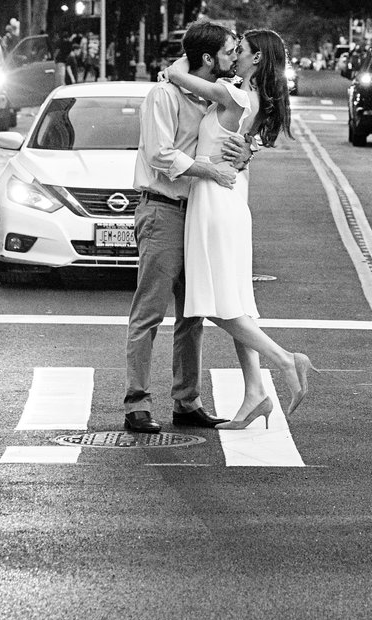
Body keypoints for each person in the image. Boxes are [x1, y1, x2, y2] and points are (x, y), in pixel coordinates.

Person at [166, 28, 310, 426]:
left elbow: (178, 74)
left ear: (257, 58)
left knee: (213, 301)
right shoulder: (248, 95)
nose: (234, 56)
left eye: (239, 50)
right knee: (236, 300)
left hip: (215, 199)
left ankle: (284, 359)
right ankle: (255, 393)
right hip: (228, 195)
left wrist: (188, 61)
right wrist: (251, 147)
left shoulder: (236, 95)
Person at [122, 21, 248, 434]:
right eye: (230, 51)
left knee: (193, 311)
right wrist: (209, 170)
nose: (235, 57)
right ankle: (136, 403)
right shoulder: (164, 94)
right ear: (209, 57)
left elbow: (231, 140)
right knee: (151, 310)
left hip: (198, 211)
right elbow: (160, 154)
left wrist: (243, 153)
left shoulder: (211, 98)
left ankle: (186, 401)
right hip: (162, 210)